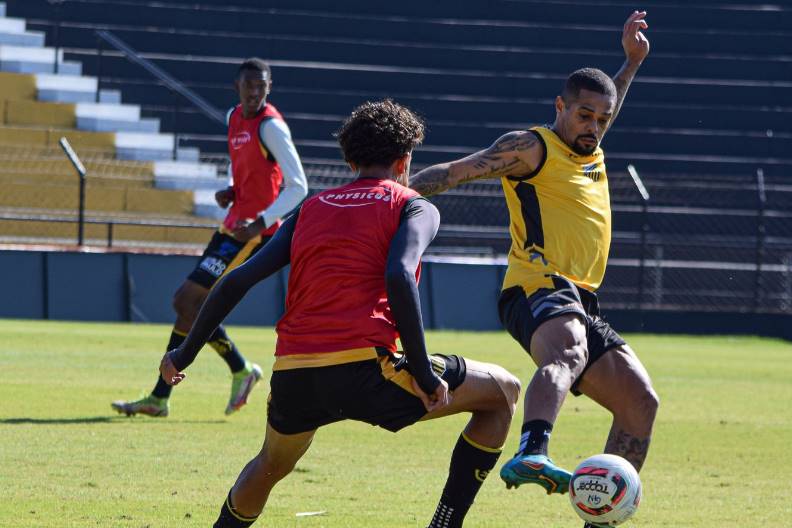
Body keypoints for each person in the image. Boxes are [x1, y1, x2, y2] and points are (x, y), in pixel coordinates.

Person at [157, 99, 521, 528]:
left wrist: (182, 355)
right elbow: (400, 275)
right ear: (405, 160)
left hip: (294, 370)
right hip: (365, 369)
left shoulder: (310, 209)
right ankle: (444, 525)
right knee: (503, 392)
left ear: (350, 160)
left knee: (270, 465)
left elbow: (237, 280)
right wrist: (424, 374)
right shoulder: (413, 205)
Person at [408, 10, 658, 507]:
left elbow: (609, 102)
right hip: (536, 283)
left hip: (582, 296)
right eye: (584, 116)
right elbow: (458, 171)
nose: (594, 128)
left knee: (640, 401)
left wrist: (630, 65)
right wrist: (393, 192)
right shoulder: (532, 147)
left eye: (602, 120)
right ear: (560, 106)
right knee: (567, 351)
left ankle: (601, 513)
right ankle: (533, 450)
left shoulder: (591, 147)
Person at [112, 57, 308, 417]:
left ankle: (180, 389)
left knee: (186, 300)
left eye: (261, 85)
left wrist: (259, 221)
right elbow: (257, 172)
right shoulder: (234, 117)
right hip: (232, 226)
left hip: (252, 233)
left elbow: (299, 187)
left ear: (269, 87)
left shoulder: (272, 127)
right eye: (248, 84)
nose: (254, 91)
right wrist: (233, 190)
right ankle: (224, 375)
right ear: (237, 86)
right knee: (190, 304)